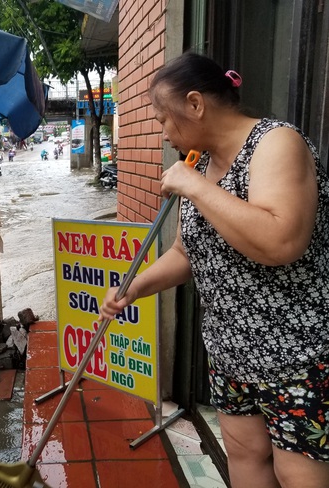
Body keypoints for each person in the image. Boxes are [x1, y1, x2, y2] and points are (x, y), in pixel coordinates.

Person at [99, 52, 329, 488]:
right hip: (229, 349)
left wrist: (196, 188)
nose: (165, 134)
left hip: (297, 354)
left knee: (298, 473)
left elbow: (281, 241)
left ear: (195, 104)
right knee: (243, 456)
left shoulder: (276, 143)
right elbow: (188, 253)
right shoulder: (200, 165)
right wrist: (134, 286)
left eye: (164, 120)